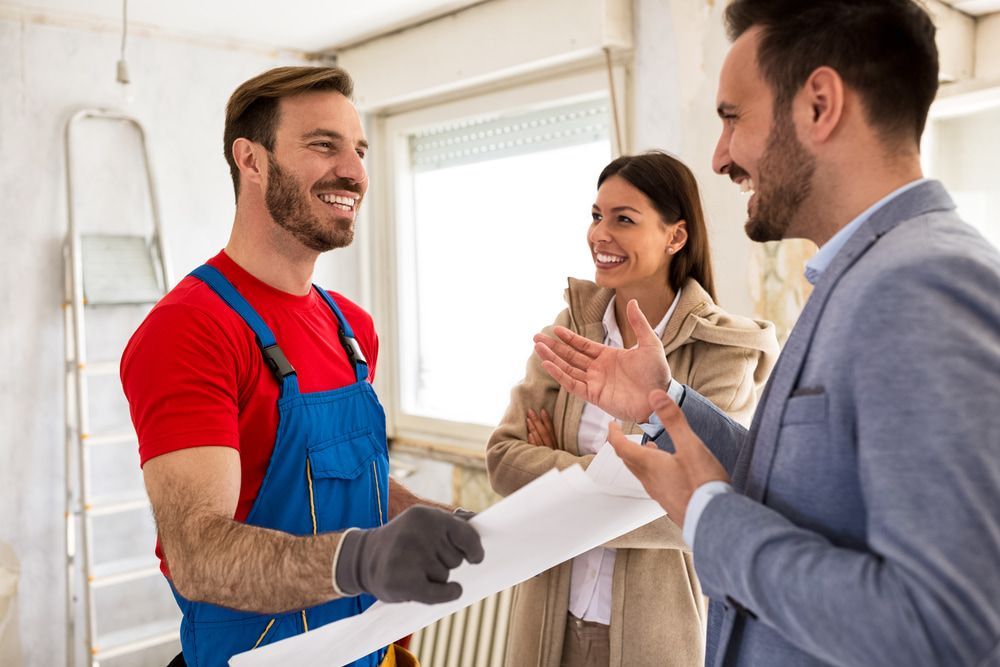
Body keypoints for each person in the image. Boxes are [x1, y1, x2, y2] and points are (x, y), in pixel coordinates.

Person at [533, 1, 1000, 666]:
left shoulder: (921, 283)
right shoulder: (861, 273)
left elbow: (937, 625)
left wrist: (709, 517)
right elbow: (811, 491)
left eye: (731, 117)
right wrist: (669, 402)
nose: (722, 155)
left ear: (819, 105)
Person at [121, 66, 484, 667]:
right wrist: (361, 560)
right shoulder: (191, 329)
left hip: (367, 652)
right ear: (252, 160)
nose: (354, 172)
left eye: (360, 150)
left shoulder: (352, 330)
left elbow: (338, 487)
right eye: (324, 145)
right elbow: (198, 555)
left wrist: (449, 525)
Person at [487, 151, 778, 667]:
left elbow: (690, 507)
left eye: (624, 219)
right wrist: (629, 477)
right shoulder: (571, 328)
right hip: (548, 622)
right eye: (597, 216)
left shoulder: (725, 351)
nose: (601, 233)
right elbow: (504, 461)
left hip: (655, 634)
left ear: (675, 236)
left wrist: (554, 474)